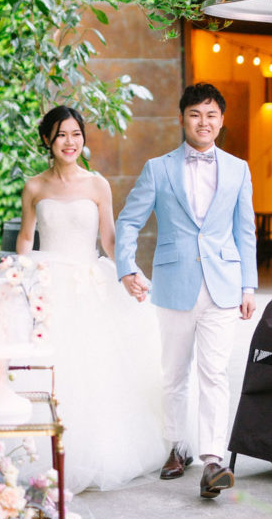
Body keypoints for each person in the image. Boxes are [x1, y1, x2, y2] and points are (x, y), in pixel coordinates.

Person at [115, 82, 257, 499]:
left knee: (214, 373)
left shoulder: (238, 169)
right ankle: (178, 447)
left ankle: (213, 461)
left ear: (222, 120)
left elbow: (245, 231)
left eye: (211, 115)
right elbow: (128, 221)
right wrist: (127, 267)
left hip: (223, 286)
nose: (203, 122)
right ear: (182, 119)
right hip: (174, 284)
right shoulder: (157, 169)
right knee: (175, 373)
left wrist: (249, 285)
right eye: (195, 114)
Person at [14, 104, 167, 492]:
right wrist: (18, 277)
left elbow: (109, 240)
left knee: (95, 367)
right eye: (61, 135)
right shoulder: (34, 187)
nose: (70, 142)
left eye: (76, 134)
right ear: (47, 140)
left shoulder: (98, 185)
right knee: (51, 368)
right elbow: (25, 238)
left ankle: (97, 455)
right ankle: (39, 453)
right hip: (48, 284)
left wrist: (128, 271)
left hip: (88, 284)